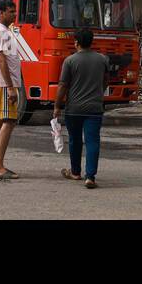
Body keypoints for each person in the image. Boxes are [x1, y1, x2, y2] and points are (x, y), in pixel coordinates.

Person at [53, 28, 109, 189]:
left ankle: (75, 172)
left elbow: (63, 85)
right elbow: (105, 81)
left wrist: (57, 105)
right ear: (91, 42)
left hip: (74, 108)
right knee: (92, 141)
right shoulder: (102, 60)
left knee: (75, 140)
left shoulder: (70, 61)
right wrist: (98, 93)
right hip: (95, 108)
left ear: (76, 42)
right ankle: (90, 176)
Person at [0, 0, 20, 179]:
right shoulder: (2, 31)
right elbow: (2, 60)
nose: (14, 14)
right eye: (10, 11)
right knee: (8, 121)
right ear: (1, 13)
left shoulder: (1, 30)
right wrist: (10, 86)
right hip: (4, 83)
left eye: (14, 11)